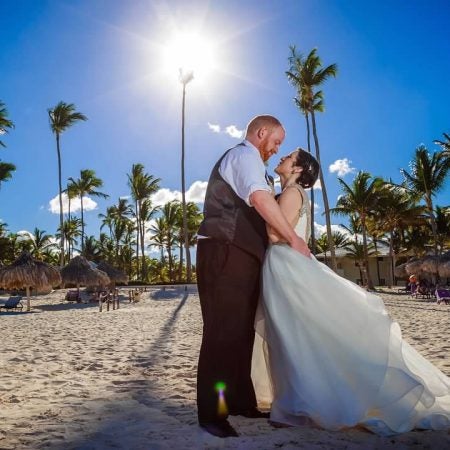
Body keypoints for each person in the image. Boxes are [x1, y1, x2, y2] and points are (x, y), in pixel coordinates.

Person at [253, 148, 450, 435]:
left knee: (289, 332)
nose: (282, 158)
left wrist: (265, 204)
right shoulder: (294, 194)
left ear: (297, 169)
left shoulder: (291, 193)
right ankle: (297, 401)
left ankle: (297, 405)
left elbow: (274, 235)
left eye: (288, 157)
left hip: (286, 265)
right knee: (294, 331)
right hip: (286, 264)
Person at [196, 115, 310, 438]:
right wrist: (294, 238)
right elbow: (259, 199)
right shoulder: (243, 156)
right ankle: (213, 413)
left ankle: (239, 401)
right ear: (261, 133)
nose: (276, 149)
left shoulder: (257, 166)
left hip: (244, 256)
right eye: (276, 142)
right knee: (222, 331)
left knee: (241, 332)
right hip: (224, 248)